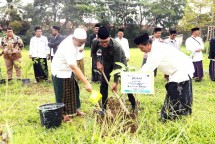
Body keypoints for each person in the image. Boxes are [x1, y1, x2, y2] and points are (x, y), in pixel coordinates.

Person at [134, 33, 194, 120]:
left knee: (176, 93)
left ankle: (173, 117)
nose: (141, 50)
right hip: (175, 72)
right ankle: (172, 115)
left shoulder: (157, 50)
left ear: (148, 44)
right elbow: (147, 64)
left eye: (141, 48)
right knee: (174, 92)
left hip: (182, 69)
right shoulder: (153, 49)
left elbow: (148, 68)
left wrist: (133, 77)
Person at [91, 26, 136, 113]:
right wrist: (98, 62)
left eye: (106, 41)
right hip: (107, 62)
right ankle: (103, 108)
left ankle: (134, 104)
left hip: (120, 61)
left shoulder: (116, 45)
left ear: (109, 37)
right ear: (98, 38)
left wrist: (115, 82)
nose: (104, 44)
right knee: (103, 83)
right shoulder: (95, 42)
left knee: (126, 83)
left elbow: (117, 65)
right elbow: (93, 53)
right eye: (102, 42)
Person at [52, 28, 92, 122]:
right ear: (74, 38)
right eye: (80, 42)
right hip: (60, 70)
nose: (81, 44)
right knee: (62, 94)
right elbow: (74, 66)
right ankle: (64, 115)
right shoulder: (68, 46)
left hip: (69, 70)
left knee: (74, 90)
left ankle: (76, 110)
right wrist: (86, 83)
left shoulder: (74, 40)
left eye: (83, 42)